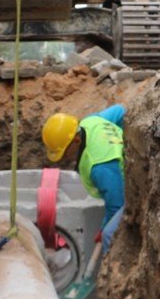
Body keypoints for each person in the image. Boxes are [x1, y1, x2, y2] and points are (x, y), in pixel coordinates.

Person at [41, 104, 125, 253]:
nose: (64, 157)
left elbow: (116, 204)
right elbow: (120, 110)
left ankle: (108, 273)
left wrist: (103, 229)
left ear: (76, 141)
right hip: (117, 175)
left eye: (65, 151)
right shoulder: (90, 122)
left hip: (133, 189)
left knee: (108, 236)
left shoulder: (99, 166)